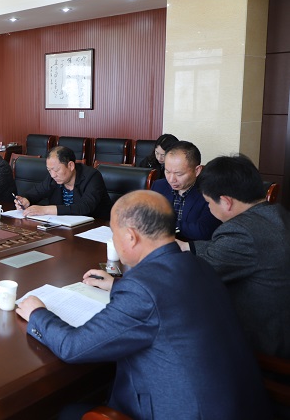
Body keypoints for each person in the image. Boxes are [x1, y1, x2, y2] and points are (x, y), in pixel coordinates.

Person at [17, 190, 270, 419]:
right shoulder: (197, 264)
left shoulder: (141, 289)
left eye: (114, 233)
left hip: (189, 411)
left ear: (131, 236)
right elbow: (166, 299)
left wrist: (38, 313)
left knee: (65, 413)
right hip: (243, 404)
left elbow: (73, 347)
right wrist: (117, 285)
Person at [176, 155, 290, 360]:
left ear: (226, 202)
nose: (209, 208)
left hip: (264, 345)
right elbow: (237, 250)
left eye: (208, 203)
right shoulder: (276, 214)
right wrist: (187, 246)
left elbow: (193, 280)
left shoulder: (240, 231)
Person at [14, 146, 111, 219]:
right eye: (49, 170)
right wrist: (26, 200)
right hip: (64, 226)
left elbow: (85, 207)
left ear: (71, 166)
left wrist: (45, 209)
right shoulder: (52, 178)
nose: (53, 175)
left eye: (56, 170)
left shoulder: (92, 176)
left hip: (94, 228)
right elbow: (36, 192)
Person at [151, 140, 221, 240]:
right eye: (167, 172)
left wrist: (166, 225)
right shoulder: (159, 186)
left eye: (179, 174)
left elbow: (203, 231)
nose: (171, 179)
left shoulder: (209, 192)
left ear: (197, 171)